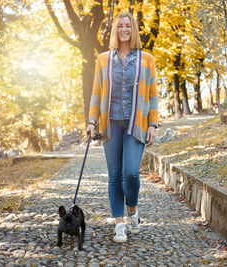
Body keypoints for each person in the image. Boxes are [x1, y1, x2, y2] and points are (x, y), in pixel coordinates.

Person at [86, 12, 158, 243]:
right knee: (115, 176)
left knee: (131, 174)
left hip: (136, 124)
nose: (124, 30)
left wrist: (153, 124)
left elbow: (154, 95)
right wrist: (92, 121)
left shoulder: (147, 59)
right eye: (120, 26)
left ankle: (133, 209)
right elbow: (96, 92)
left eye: (128, 26)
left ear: (133, 29)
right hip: (110, 125)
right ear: (115, 30)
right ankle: (119, 224)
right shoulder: (103, 59)